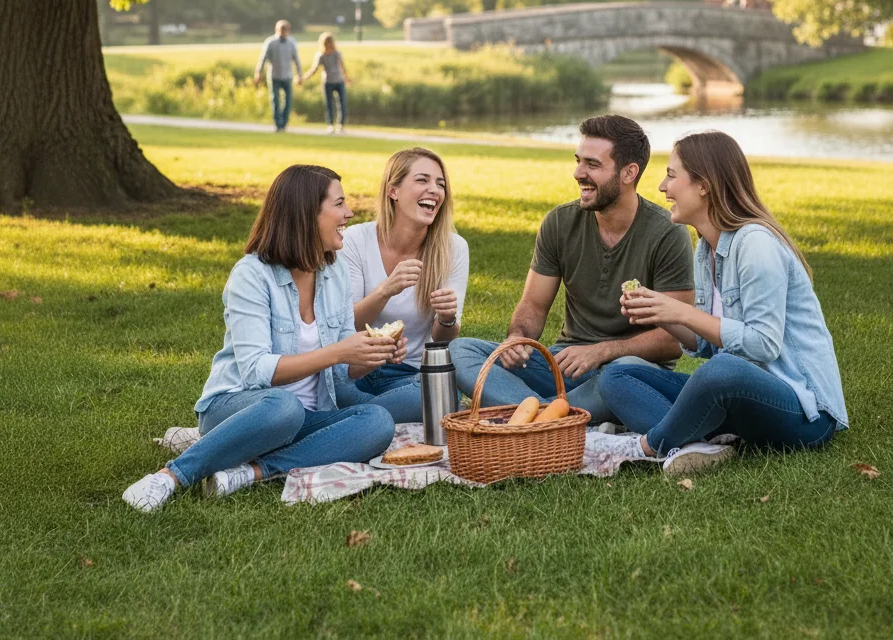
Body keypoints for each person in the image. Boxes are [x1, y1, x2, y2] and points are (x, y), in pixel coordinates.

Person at [122, 164, 399, 512]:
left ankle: (251, 471)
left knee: (376, 421)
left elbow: (341, 372)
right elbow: (255, 371)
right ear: (305, 214)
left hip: (305, 416)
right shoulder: (252, 275)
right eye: (339, 204)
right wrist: (338, 351)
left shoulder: (335, 272)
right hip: (240, 406)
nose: (349, 213)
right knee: (284, 407)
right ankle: (170, 477)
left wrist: (370, 355)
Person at [598, 131, 848, 475]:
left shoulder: (755, 244)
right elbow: (705, 342)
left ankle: (646, 446)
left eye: (671, 176)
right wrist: (661, 314)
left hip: (804, 413)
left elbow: (763, 344)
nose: (661, 187)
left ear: (704, 185)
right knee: (617, 374)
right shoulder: (707, 250)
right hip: (741, 403)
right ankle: (696, 443)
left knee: (720, 370)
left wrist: (681, 311)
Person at [450, 115, 695, 425]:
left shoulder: (666, 233)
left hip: (628, 370)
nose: (579, 173)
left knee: (617, 378)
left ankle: (533, 417)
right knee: (460, 351)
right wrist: (517, 339)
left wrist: (602, 352)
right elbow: (533, 306)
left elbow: (675, 339)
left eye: (592, 164)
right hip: (564, 365)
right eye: (579, 161)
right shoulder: (560, 223)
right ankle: (550, 416)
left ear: (628, 173)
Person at [338, 147, 469, 422]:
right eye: (422, 180)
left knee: (443, 395)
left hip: (408, 374)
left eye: (440, 184)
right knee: (325, 384)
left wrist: (446, 318)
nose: (434, 190)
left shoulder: (453, 249)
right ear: (393, 191)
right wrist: (386, 290)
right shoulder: (355, 240)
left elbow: (443, 340)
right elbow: (344, 323)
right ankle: (369, 415)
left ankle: (355, 415)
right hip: (355, 368)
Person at [253, 19, 303, 131]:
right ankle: (278, 123)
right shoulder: (270, 42)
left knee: (288, 100)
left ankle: (284, 123)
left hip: (287, 75)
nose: (284, 32)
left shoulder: (291, 43)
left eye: (285, 30)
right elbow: (263, 59)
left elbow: (296, 60)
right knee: (275, 100)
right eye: (282, 30)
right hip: (274, 75)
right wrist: (258, 72)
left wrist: (299, 75)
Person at [303, 31, 352, 133]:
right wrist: (304, 78)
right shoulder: (321, 55)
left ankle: (341, 125)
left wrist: (347, 78)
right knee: (329, 105)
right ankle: (330, 125)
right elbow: (314, 69)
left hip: (339, 81)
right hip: (328, 82)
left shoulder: (337, 54)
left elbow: (342, 67)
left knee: (342, 104)